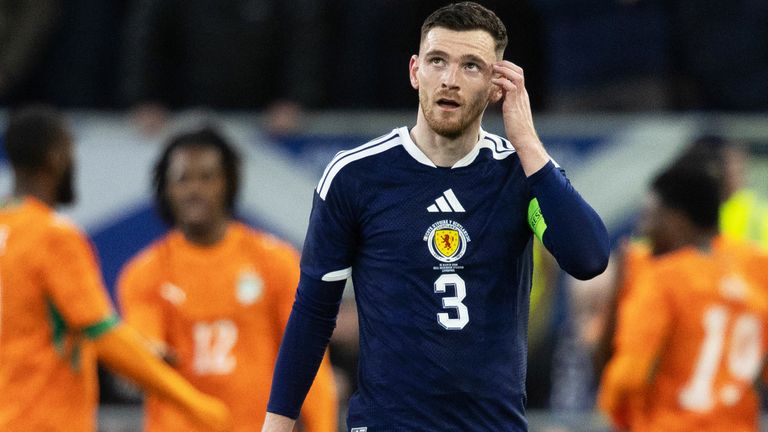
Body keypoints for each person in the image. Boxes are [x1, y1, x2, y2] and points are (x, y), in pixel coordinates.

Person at [263, 3, 610, 431]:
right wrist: (276, 425)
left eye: (471, 66)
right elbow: (314, 311)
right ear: (415, 71)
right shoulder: (354, 176)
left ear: (496, 84)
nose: (449, 79)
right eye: (437, 61)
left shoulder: (520, 176)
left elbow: (588, 257)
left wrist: (528, 143)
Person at [0, 106, 231, 431]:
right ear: (55, 157)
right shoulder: (53, 236)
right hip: (42, 421)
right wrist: (196, 404)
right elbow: (103, 335)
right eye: (70, 150)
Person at [116, 127, 338, 432]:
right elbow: (144, 339)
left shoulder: (275, 261)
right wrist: (143, 357)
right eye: (183, 179)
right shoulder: (144, 272)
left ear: (229, 183)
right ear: (166, 189)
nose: (194, 189)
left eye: (207, 177)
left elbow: (308, 360)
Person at [598, 165, 768, 431]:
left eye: (649, 218)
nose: (643, 234)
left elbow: (628, 376)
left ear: (675, 220)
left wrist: (620, 289)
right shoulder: (757, 268)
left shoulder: (665, 277)